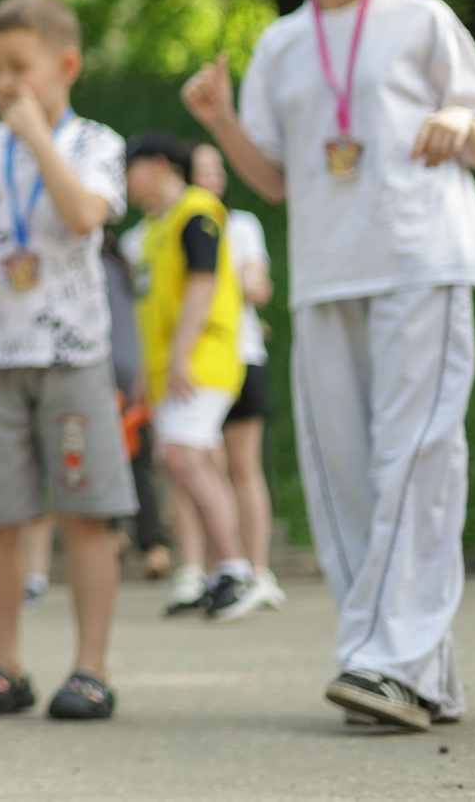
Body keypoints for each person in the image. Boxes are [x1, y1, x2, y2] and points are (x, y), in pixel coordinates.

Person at [183, 0, 475, 732]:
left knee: (416, 455)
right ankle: (414, 671)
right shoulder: (283, 44)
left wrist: (458, 125)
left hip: (420, 255)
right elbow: (277, 181)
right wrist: (220, 122)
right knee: (345, 474)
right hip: (327, 269)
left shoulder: (422, 18)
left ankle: (383, 661)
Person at [0, 0, 134, 722]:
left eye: (19, 67)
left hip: (71, 352)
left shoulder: (97, 144)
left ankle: (90, 668)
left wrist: (38, 137)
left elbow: (84, 215)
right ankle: (5, 665)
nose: (3, 84)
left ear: (65, 65)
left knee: (86, 512)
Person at [121, 132, 255, 620]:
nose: (124, 180)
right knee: (192, 461)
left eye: (129, 168)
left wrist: (179, 357)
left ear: (158, 165)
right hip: (170, 370)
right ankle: (220, 572)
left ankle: (237, 569)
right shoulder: (155, 226)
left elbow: (204, 283)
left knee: (186, 457)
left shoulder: (196, 210)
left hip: (201, 360)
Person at [189, 143, 283, 611]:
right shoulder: (175, 226)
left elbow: (259, 286)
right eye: (204, 170)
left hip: (241, 353)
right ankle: (218, 570)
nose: (215, 177)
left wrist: (240, 285)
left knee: (243, 465)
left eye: (219, 169)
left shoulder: (242, 225)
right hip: (195, 364)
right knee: (203, 464)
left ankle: (259, 569)